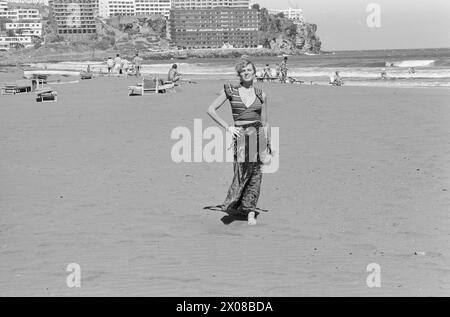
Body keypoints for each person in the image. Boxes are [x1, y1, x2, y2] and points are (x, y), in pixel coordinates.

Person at [207, 58, 270, 226]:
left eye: (249, 69)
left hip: (257, 136)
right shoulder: (231, 91)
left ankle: (250, 211)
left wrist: (267, 144)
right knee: (242, 172)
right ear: (239, 75)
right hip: (241, 137)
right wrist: (228, 127)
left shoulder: (261, 95)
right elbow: (211, 110)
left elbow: (265, 122)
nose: (247, 72)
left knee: (256, 174)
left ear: (255, 72)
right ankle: (235, 204)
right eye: (243, 71)